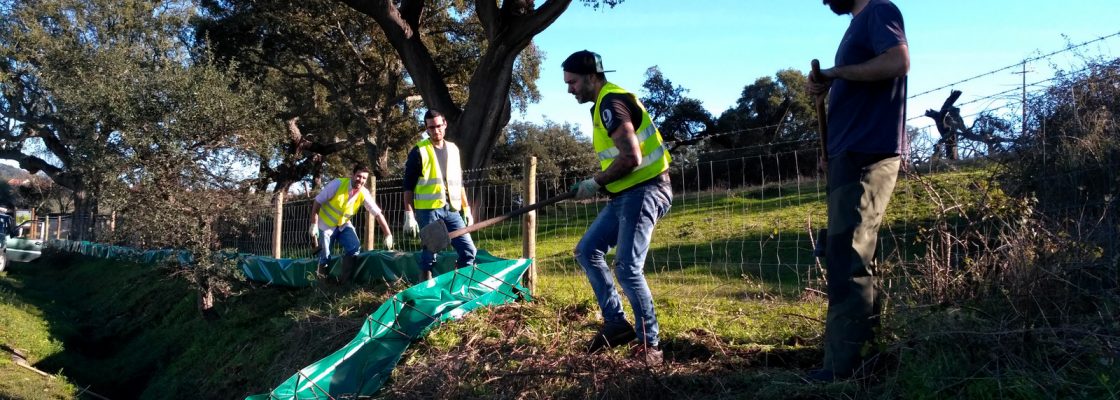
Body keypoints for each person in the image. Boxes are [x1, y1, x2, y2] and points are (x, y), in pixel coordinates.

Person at [806, 0, 909, 381]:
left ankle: (843, 370)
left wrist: (835, 73)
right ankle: (865, 355)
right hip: (847, 154)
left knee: (849, 257)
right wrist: (831, 149)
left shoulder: (880, 10)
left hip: (869, 152)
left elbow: (898, 61)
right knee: (847, 254)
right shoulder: (857, 24)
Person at [562, 50, 674, 365]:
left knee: (626, 267)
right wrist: (596, 183)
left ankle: (650, 345)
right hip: (626, 193)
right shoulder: (603, 105)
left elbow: (630, 157)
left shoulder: (612, 103)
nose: (570, 89)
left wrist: (595, 183)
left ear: (590, 77)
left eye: (572, 82)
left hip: (646, 190)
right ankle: (616, 324)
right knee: (587, 250)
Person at [402, 109, 477, 282]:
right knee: (429, 253)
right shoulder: (418, 151)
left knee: (469, 250)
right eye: (431, 127)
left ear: (445, 125)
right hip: (428, 211)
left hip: (452, 210)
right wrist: (409, 214)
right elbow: (408, 185)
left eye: (439, 126)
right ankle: (425, 287)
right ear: (426, 128)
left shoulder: (453, 149)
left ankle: (461, 285)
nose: (436, 131)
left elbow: (458, 182)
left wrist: (466, 208)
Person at [309, 163, 394, 284]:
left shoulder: (363, 193)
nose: (361, 180)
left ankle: (345, 282)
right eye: (359, 176)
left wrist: (388, 234)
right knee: (325, 255)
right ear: (352, 175)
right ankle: (322, 286)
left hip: (343, 224)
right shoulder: (337, 184)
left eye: (364, 178)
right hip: (325, 225)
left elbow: (378, 214)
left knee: (354, 247)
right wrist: (314, 224)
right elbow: (317, 202)